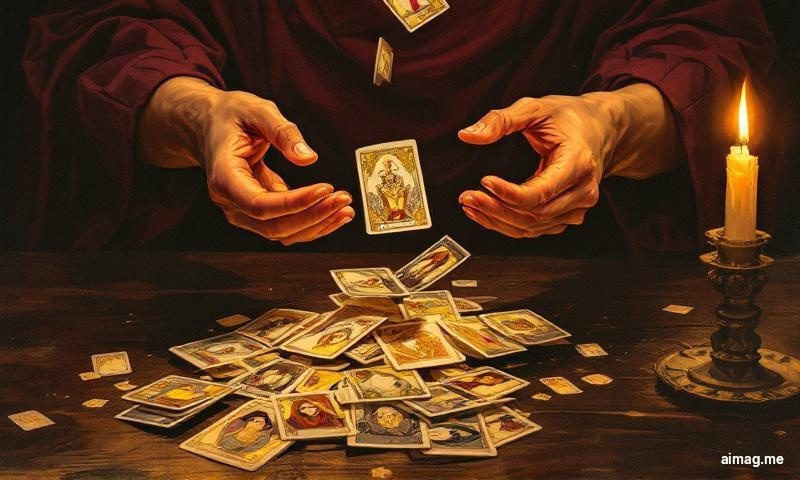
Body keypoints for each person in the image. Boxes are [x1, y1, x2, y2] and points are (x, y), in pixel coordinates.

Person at [18, 1, 775, 252]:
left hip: (567, 286)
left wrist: (609, 122)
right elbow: (112, 39)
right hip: (239, 285)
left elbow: (699, 43)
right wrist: (197, 115)